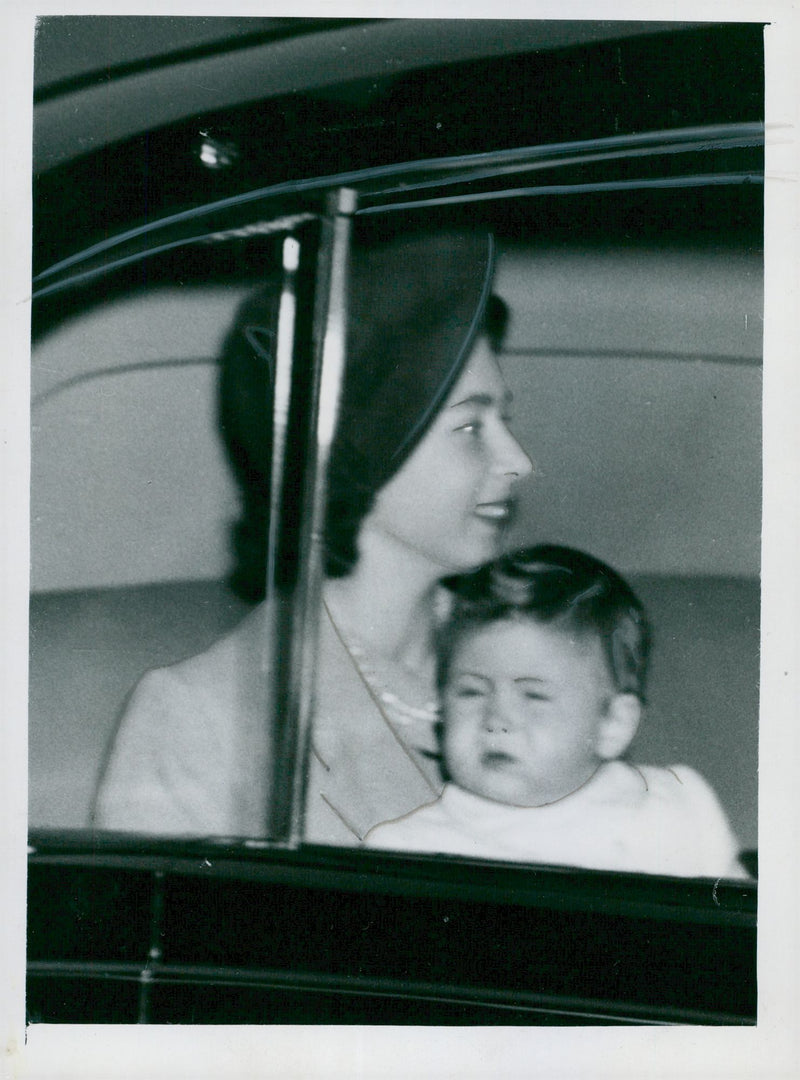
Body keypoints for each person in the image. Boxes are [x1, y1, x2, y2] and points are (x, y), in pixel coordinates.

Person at [93, 228, 533, 844]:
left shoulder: (540, 650)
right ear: (361, 455)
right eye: (470, 428)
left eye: (504, 420)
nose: (517, 460)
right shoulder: (201, 718)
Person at [365, 545, 748, 878]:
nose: (497, 721)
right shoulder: (406, 850)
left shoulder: (673, 810)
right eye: (471, 692)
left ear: (612, 724)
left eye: (534, 696)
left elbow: (744, 941)